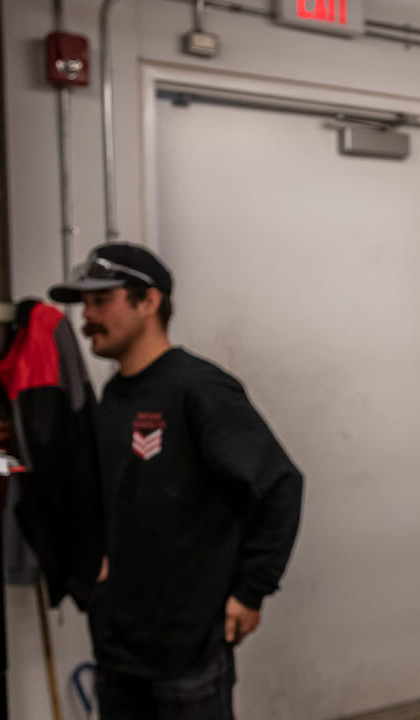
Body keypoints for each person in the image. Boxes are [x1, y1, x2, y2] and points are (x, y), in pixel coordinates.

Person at [49, 243, 304, 719]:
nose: (87, 317)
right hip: (118, 648)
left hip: (189, 652)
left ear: (148, 302)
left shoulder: (199, 389)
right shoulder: (115, 394)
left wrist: (252, 591)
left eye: (101, 301)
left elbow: (281, 484)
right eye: (84, 304)